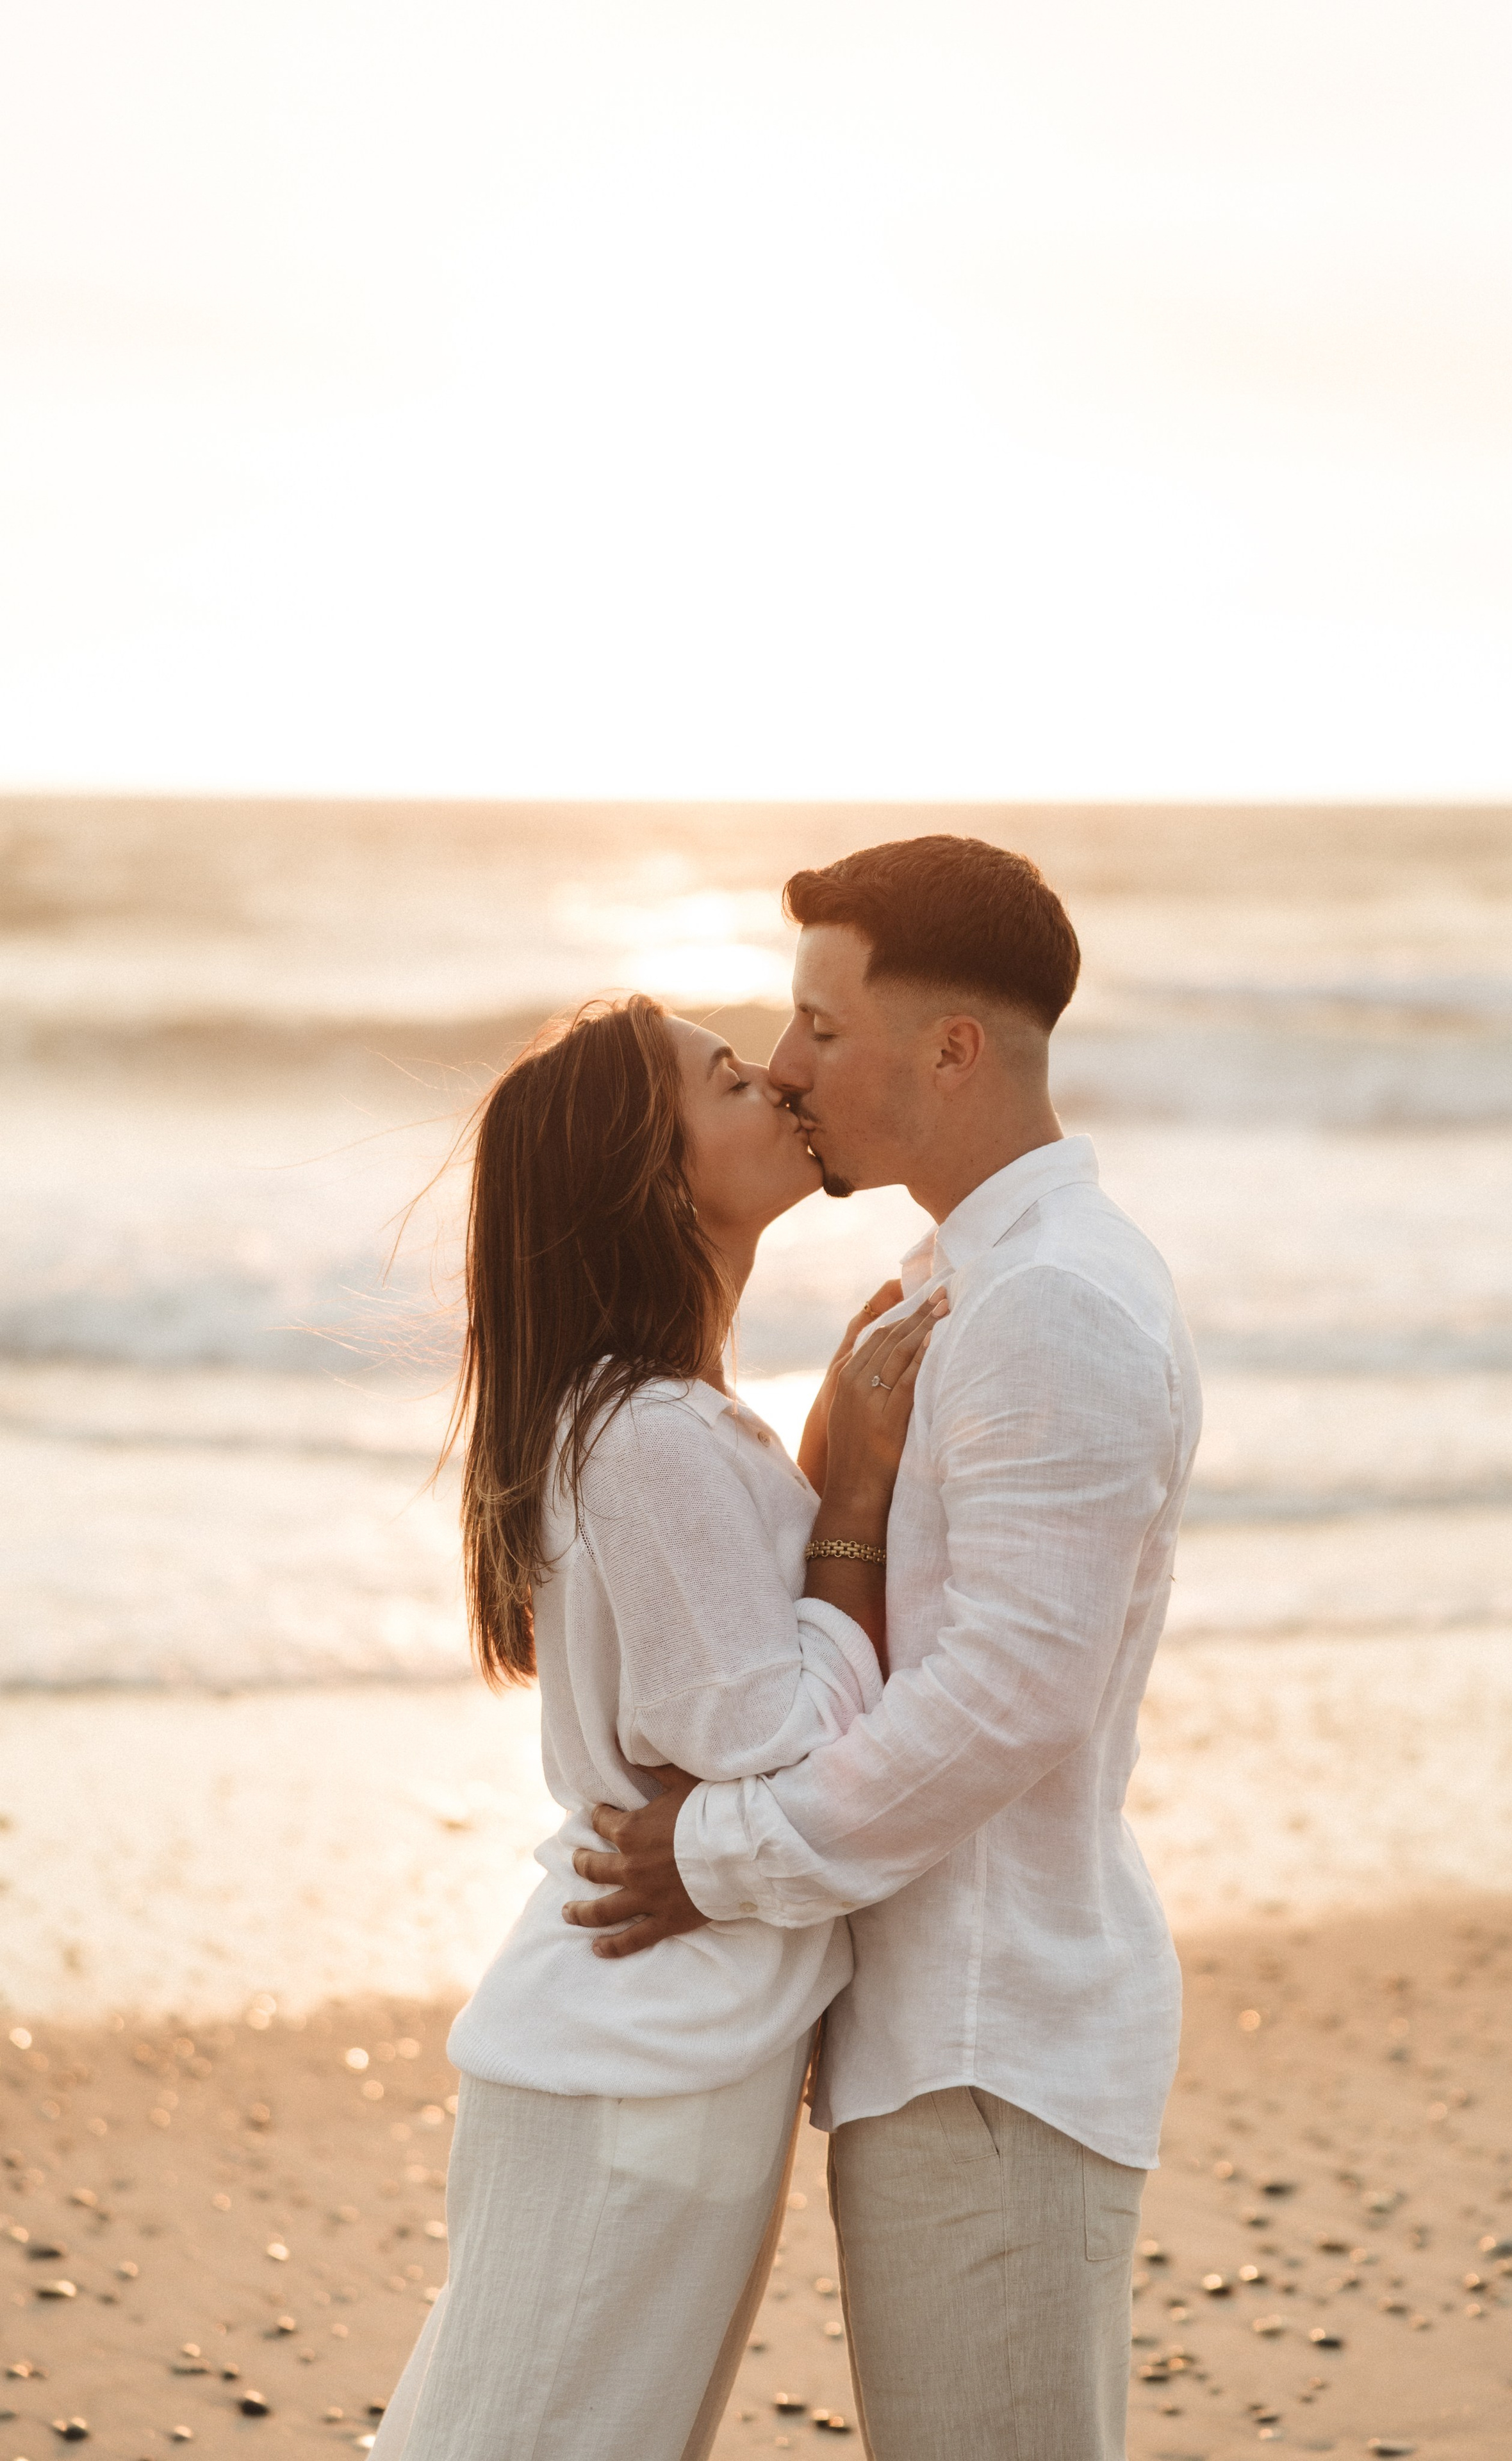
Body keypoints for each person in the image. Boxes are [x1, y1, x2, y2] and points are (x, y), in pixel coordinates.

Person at [564, 836, 1203, 2461]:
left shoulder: (1049, 1302)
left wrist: (726, 1855)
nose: (784, 1069)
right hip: (933, 2031)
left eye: (820, 1029)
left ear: (952, 1049)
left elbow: (1012, 1694)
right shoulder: (952, 1281)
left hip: (993, 2037)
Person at [370, 993, 945, 2461]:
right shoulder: (646, 1434)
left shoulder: (658, 1419)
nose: (776, 1088)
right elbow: (777, 1746)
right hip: (636, 2057)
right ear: (652, 1170)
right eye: (730, 1080)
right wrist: (858, 1507)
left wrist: (816, 1465)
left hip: (655, 2047)